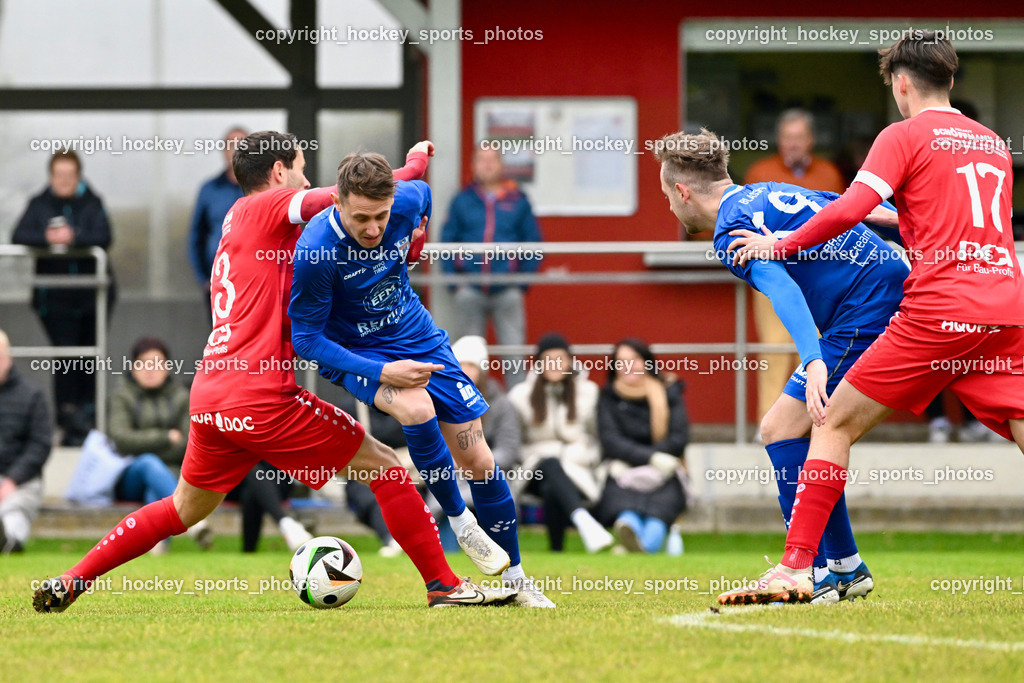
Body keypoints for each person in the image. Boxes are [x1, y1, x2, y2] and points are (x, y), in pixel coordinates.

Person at [33, 131, 515, 612]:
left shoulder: (235, 220)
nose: (306, 177)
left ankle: (74, 579)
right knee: (387, 468)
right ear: (280, 171)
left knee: (183, 508)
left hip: (212, 397)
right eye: (302, 166)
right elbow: (350, 195)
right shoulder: (268, 206)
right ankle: (444, 586)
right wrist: (412, 163)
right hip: (260, 394)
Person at [724, 32, 1024, 604]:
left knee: (832, 422)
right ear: (952, 81)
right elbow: (952, 216)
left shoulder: (903, 135)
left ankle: (797, 567)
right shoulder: (991, 143)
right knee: (1019, 423)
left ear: (901, 83)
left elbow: (848, 208)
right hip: (1005, 304)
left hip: (940, 308)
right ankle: (830, 566)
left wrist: (782, 245)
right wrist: (900, 220)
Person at [653, 124, 909, 603]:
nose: (670, 206)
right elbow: (845, 203)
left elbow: (784, 290)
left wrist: (812, 360)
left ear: (682, 191)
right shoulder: (765, 191)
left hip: (865, 310)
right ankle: (845, 566)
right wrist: (902, 220)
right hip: (887, 287)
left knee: (784, 428)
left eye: (667, 195)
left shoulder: (732, 232)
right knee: (787, 429)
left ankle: (806, 567)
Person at [289, 150, 554, 607]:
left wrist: (416, 239)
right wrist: (382, 370)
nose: (373, 228)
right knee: (415, 406)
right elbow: (305, 341)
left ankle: (518, 579)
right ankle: (458, 518)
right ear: (337, 203)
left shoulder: (407, 201)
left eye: (381, 216)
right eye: (361, 218)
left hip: (419, 336)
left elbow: (421, 188)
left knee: (481, 462)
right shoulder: (316, 250)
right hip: (360, 352)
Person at [744, 110, 847, 428]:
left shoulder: (829, 174)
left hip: (818, 278)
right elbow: (745, 221)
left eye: (799, 137)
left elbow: (843, 222)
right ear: (779, 140)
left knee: (818, 350)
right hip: (771, 274)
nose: (792, 144)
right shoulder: (759, 172)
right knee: (773, 351)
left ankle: (819, 422)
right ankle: (769, 424)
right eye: (787, 138)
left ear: (811, 141)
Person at [12, 151, 114, 446]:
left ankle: (89, 422)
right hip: (54, 300)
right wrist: (47, 238)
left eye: (69, 175)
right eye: (59, 175)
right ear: (51, 176)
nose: (64, 181)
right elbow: (19, 234)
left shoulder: (92, 203)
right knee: (66, 359)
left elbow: (104, 236)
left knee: (89, 361)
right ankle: (67, 421)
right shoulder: (39, 204)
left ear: (78, 176)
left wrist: (74, 237)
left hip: (90, 298)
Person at [441, 145, 544, 387]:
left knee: (513, 356)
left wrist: (521, 282)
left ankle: (516, 416)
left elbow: (533, 243)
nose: (487, 165)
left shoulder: (518, 200)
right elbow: (447, 241)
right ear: (473, 166)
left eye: (492, 160)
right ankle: (468, 413)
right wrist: (455, 283)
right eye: (481, 160)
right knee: (467, 357)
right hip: (469, 289)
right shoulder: (462, 200)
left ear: (501, 165)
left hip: (507, 289)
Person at [508, 333, 612, 553]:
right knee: (549, 464)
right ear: (538, 364)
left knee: (553, 487)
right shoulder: (520, 396)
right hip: (532, 472)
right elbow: (514, 441)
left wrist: (590, 458)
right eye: (548, 359)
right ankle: (585, 524)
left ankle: (557, 550)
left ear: (570, 361)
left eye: (560, 358)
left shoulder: (589, 392)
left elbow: (596, 437)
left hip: (577, 470)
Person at [107, 336, 212, 553]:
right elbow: (120, 438)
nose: (150, 369)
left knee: (155, 484)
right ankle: (192, 521)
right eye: (144, 363)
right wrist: (164, 438)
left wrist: (152, 452)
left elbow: (190, 442)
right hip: (129, 476)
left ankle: (157, 547)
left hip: (171, 474)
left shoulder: (182, 397)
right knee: (148, 463)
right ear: (133, 368)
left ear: (167, 367)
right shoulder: (123, 396)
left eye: (156, 363)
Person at [596, 339, 689, 554]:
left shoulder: (670, 393)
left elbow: (679, 438)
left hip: (666, 471)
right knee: (626, 510)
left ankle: (640, 546)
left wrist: (658, 460)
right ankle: (630, 533)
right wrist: (649, 457)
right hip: (622, 469)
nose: (628, 367)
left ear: (647, 362)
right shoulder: (607, 398)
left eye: (634, 360)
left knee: (659, 513)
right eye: (621, 362)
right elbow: (610, 441)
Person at [0, 328, 52, 553]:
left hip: (22, 483)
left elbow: (40, 445)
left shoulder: (32, 396)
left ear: (8, 358)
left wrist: (12, 480)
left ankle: (9, 540)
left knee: (12, 511)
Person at [189, 127, 247, 312]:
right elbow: (196, 235)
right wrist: (203, 278)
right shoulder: (209, 190)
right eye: (232, 144)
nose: (236, 149)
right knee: (222, 335)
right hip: (218, 280)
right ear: (224, 150)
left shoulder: (264, 189)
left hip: (254, 280)